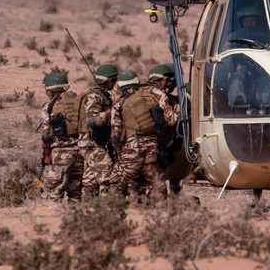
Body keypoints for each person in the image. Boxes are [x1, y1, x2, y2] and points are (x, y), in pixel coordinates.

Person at [109, 69, 178, 200]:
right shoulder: (153, 94)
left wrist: (120, 152)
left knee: (117, 181)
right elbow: (172, 120)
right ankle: (160, 210)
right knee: (156, 182)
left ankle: (113, 208)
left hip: (132, 146)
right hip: (152, 146)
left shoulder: (119, 103)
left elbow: (115, 136)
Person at [39, 72, 84, 201]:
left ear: (53, 91)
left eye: (47, 89)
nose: (46, 92)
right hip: (80, 152)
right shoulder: (78, 102)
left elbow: (46, 136)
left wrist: (47, 154)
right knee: (75, 192)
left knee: (54, 192)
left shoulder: (49, 107)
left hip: (61, 153)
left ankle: (53, 218)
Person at [78, 63, 118, 200]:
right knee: (107, 170)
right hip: (90, 142)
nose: (115, 83)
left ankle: (89, 205)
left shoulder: (104, 96)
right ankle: (106, 204)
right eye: (113, 80)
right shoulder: (94, 97)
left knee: (90, 178)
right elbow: (92, 121)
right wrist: (111, 111)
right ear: (104, 81)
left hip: (95, 142)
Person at [147, 64, 183, 195]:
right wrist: (181, 113)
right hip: (153, 142)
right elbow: (172, 120)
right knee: (156, 177)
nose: (168, 84)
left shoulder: (140, 92)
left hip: (132, 142)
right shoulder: (160, 95)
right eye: (167, 80)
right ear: (159, 79)